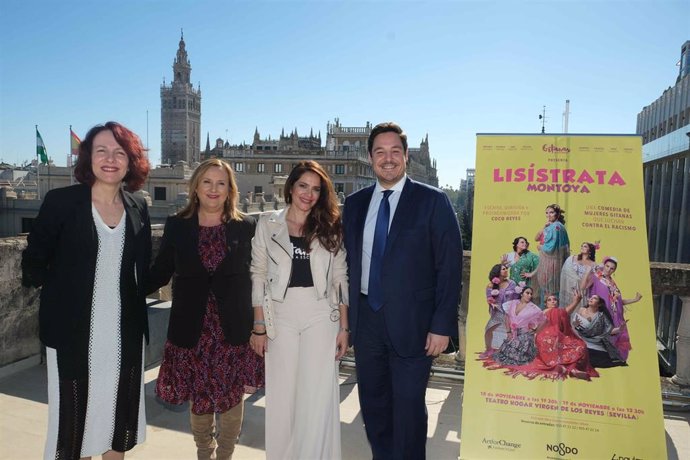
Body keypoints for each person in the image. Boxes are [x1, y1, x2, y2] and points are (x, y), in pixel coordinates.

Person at [22, 122, 151, 460]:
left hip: (124, 333)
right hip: (73, 333)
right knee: (74, 424)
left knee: (116, 419)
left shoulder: (137, 207)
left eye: (120, 152)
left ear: (131, 160)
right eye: (102, 151)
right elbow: (34, 261)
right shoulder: (61, 202)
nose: (111, 159)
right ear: (88, 157)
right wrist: (64, 296)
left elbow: (143, 270)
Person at [343, 122, 462, 459]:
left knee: (409, 410)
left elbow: (450, 269)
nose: (388, 158)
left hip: (415, 325)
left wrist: (442, 326)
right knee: (374, 406)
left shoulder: (432, 201)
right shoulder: (354, 205)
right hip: (367, 323)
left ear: (407, 156)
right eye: (380, 152)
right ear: (370, 158)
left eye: (395, 151)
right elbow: (342, 264)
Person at [148, 159, 264, 460]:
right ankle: (204, 453)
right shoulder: (177, 226)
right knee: (199, 397)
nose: (214, 189)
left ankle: (225, 455)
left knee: (230, 396)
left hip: (233, 328)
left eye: (221, 183)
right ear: (196, 187)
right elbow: (160, 272)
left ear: (230, 190)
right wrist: (122, 287)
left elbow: (260, 277)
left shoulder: (246, 227)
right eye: (207, 182)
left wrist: (261, 325)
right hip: (192, 327)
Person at [250, 160, 349, 460]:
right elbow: (258, 274)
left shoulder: (330, 226)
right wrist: (258, 326)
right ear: (290, 187)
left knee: (317, 396)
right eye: (303, 186)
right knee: (281, 396)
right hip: (280, 314)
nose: (308, 194)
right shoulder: (268, 224)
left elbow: (340, 278)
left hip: (321, 313)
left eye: (316, 189)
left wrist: (344, 327)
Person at [500, 292, 598, 380]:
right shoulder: (542, 312)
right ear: (546, 303)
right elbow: (533, 325)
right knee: (550, 342)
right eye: (549, 300)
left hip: (560, 337)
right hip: (545, 337)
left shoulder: (560, 311)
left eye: (554, 299)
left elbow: (566, 311)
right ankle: (563, 368)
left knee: (581, 345)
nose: (553, 301)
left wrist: (576, 301)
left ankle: (573, 369)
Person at [581, 256, 641, 362]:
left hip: (617, 316)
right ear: (603, 265)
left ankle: (614, 358)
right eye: (607, 266)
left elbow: (617, 301)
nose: (608, 269)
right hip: (604, 314)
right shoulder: (596, 278)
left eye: (612, 268)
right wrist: (587, 271)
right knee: (605, 338)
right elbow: (583, 287)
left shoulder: (612, 283)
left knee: (618, 337)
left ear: (615, 270)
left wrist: (635, 300)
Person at [482, 287, 544, 368]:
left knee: (517, 358)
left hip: (524, 336)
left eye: (531, 294)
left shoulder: (533, 308)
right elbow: (507, 317)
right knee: (502, 355)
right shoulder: (513, 303)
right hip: (512, 333)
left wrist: (536, 331)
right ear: (522, 294)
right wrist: (508, 331)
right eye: (527, 293)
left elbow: (543, 320)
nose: (529, 295)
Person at [572, 295, 627, 368]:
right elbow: (575, 324)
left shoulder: (601, 316)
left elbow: (609, 331)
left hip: (594, 343)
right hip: (579, 340)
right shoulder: (581, 310)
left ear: (599, 304)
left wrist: (620, 329)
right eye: (591, 297)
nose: (591, 298)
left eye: (594, 298)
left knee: (596, 360)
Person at [533, 204, 570, 307]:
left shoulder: (557, 227)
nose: (548, 215)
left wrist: (541, 248)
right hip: (548, 260)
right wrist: (544, 227)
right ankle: (546, 311)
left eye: (551, 212)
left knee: (549, 286)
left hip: (552, 261)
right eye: (547, 212)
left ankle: (550, 312)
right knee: (547, 285)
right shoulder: (551, 226)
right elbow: (536, 238)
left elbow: (552, 246)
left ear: (557, 214)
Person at [480, 264, 519, 359]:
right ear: (497, 272)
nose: (506, 270)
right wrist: (492, 304)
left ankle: (511, 351)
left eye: (506, 269)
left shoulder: (512, 283)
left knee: (511, 332)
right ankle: (489, 349)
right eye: (503, 269)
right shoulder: (491, 285)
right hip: (497, 312)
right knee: (488, 329)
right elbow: (489, 298)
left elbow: (516, 298)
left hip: (509, 312)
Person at [559, 241, 598, 310]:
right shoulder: (572, 258)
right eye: (582, 246)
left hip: (582, 292)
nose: (582, 247)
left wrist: (583, 288)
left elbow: (592, 280)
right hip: (569, 289)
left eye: (585, 246)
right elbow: (565, 272)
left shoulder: (593, 265)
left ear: (590, 250)